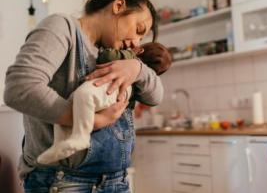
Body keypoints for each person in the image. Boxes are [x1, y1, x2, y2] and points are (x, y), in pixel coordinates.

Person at [4, 0, 162, 193]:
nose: (136, 42)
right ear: (118, 6)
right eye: (138, 29)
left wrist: (136, 68)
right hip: (64, 181)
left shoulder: (121, 57)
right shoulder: (63, 27)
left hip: (117, 181)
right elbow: (19, 88)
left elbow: (156, 96)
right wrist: (89, 121)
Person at [37, 42, 172, 164]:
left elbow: (107, 56)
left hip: (112, 88)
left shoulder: (129, 59)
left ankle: (81, 136)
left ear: (140, 50)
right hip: (114, 93)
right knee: (70, 105)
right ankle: (60, 145)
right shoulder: (142, 79)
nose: (133, 42)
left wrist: (131, 54)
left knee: (83, 95)